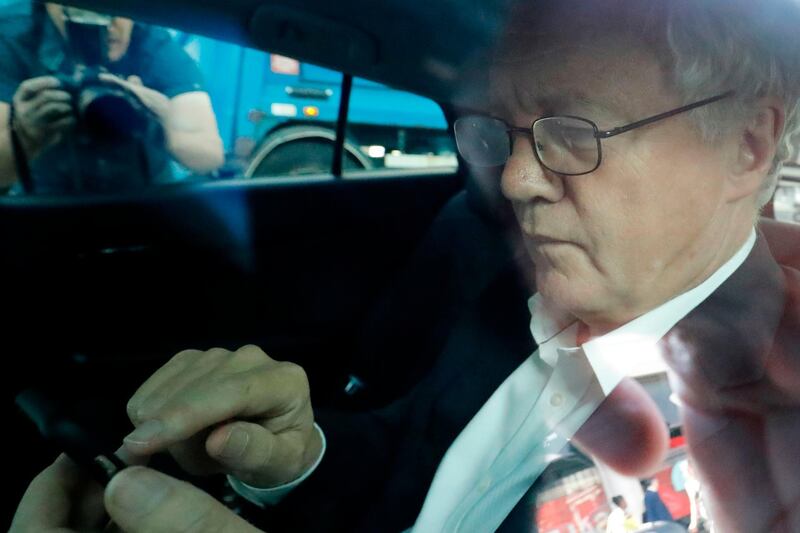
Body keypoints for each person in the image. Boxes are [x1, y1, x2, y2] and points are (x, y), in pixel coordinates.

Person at [9, 0, 800, 532]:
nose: (519, 181)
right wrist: (296, 459)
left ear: (748, 145)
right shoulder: (511, 295)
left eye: (574, 129)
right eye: (502, 135)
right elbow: (411, 467)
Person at [0, 2, 223, 194]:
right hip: (49, 204)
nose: (105, 24)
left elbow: (207, 156)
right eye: (84, 9)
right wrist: (25, 137)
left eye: (115, 6)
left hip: (142, 203)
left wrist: (163, 116)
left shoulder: (151, 40)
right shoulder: (14, 35)